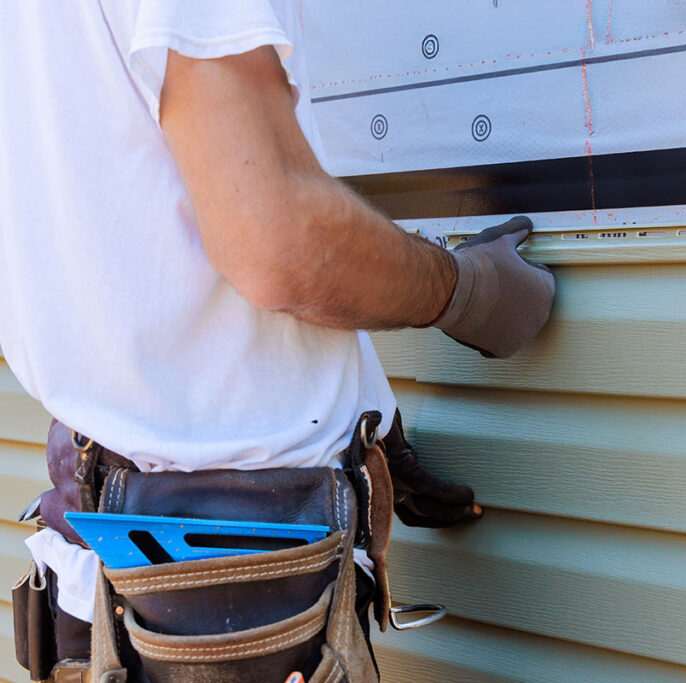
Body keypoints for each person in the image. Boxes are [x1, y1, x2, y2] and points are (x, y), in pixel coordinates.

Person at [0, 1, 555, 681]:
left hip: (99, 590)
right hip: (238, 614)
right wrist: (467, 292)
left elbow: (121, 236)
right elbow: (277, 238)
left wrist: (353, 404)